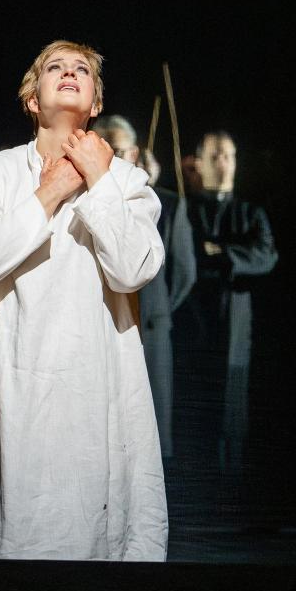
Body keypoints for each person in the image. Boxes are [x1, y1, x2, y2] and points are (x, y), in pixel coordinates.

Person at [0, 40, 167, 570]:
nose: (69, 73)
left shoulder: (126, 182)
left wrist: (97, 179)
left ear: (95, 101)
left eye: (81, 70)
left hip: (89, 380)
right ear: (33, 98)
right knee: (4, 512)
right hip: (6, 376)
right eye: (55, 67)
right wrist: (49, 192)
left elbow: (134, 268)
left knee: (80, 511)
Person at [92, 114, 195, 459]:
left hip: (148, 329)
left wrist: (154, 309)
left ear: (134, 154)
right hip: (94, 330)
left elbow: (183, 276)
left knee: (148, 433)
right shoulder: (81, 202)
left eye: (119, 151)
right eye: (102, 149)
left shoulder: (168, 204)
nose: (111, 159)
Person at [177, 131, 278, 481]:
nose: (224, 164)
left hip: (238, 317)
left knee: (234, 400)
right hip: (195, 315)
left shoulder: (250, 212)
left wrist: (220, 254)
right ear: (199, 163)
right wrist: (232, 257)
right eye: (216, 156)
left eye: (229, 156)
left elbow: (265, 256)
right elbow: (185, 257)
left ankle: (231, 477)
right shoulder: (184, 210)